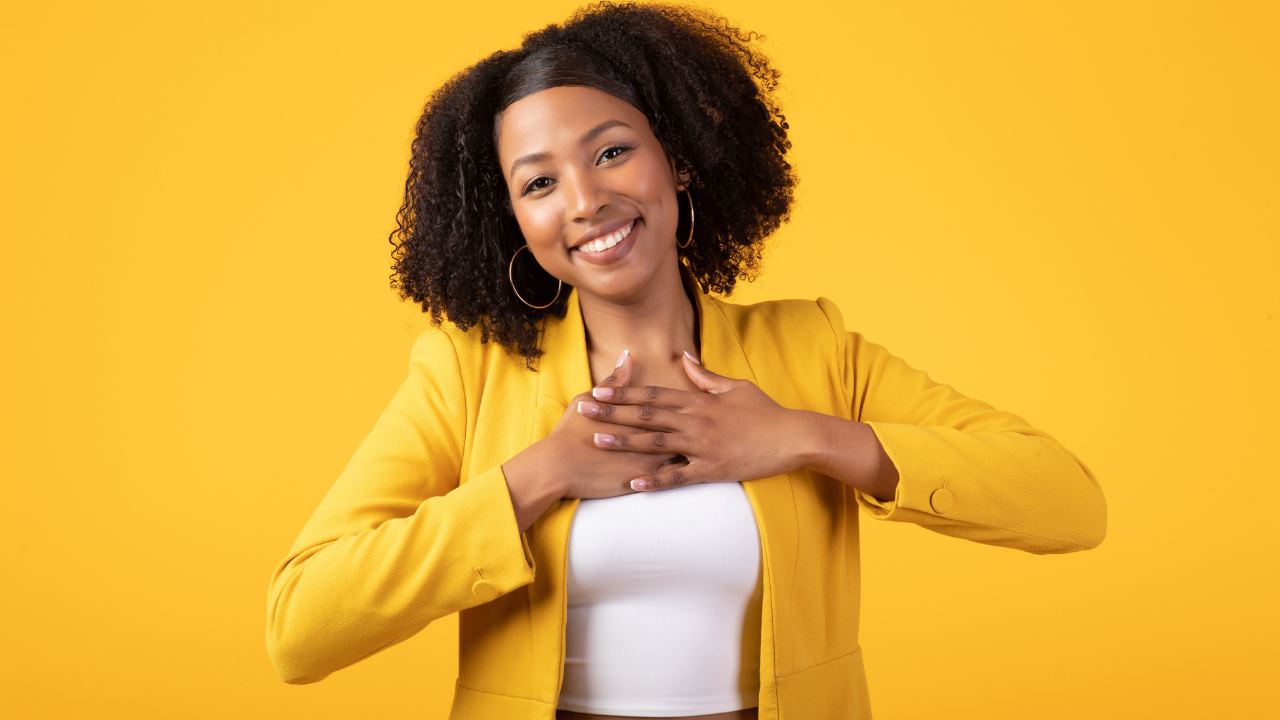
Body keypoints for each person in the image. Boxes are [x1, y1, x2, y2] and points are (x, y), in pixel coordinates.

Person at [265, 4, 1107, 719]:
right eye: (539, 183)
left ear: (681, 155)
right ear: (512, 221)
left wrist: (801, 439)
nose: (587, 201)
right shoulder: (466, 373)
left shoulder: (811, 350)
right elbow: (300, 629)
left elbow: (1070, 503)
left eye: (610, 151)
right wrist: (536, 477)